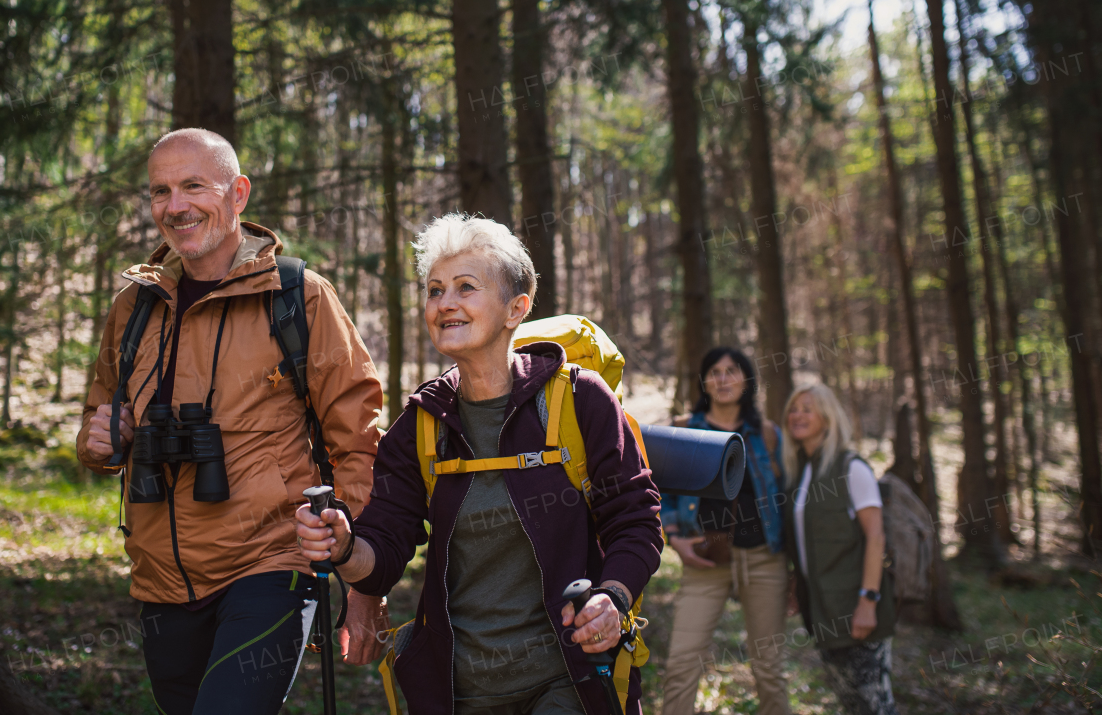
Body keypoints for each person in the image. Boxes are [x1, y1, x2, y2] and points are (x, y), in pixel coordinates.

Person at [295, 213, 664, 715]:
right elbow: (382, 553)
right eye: (434, 290)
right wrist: (343, 545)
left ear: (517, 308)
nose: (444, 303)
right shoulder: (421, 426)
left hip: (569, 681)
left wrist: (612, 599)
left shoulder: (578, 400)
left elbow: (634, 518)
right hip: (459, 692)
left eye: (466, 287)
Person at [76, 128, 387, 715]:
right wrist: (101, 442)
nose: (176, 206)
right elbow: (101, 419)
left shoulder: (298, 297)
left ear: (238, 193)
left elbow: (361, 441)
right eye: (160, 191)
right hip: (159, 578)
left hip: (271, 564)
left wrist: (358, 568)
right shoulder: (134, 306)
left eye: (195, 185)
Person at [660, 347, 790, 715]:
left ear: (746, 380)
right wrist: (675, 538)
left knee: (769, 669)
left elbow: (785, 500)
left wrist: (797, 568)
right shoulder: (684, 430)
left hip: (765, 561)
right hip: (704, 560)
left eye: (732, 371)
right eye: (714, 371)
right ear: (704, 382)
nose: (723, 378)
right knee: (681, 664)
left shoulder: (766, 434)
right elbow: (662, 493)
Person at [782, 381, 897, 715]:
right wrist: (795, 584)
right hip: (822, 610)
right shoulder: (799, 471)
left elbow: (876, 537)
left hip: (858, 606)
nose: (797, 415)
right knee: (850, 703)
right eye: (793, 408)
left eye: (807, 409)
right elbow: (803, 539)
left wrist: (868, 601)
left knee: (875, 705)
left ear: (828, 418)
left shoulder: (852, 468)